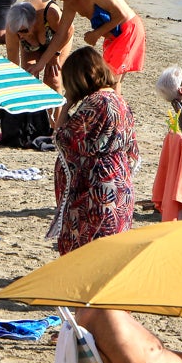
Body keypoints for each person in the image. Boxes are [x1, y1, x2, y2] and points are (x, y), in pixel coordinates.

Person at [51, 46, 137, 255]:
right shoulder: (118, 100)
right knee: (110, 247)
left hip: (96, 187)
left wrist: (68, 101)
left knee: (86, 245)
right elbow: (132, 147)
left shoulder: (95, 101)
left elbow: (62, 136)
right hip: (118, 181)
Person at [33, 0, 145, 88]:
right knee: (110, 83)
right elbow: (61, 33)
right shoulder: (70, 1)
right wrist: (41, 63)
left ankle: (114, 107)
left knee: (108, 84)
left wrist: (95, 34)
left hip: (128, 30)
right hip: (112, 37)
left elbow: (121, 15)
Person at [6, 0, 73, 94]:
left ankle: (58, 108)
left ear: (33, 22)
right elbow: (13, 62)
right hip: (32, 47)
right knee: (28, 77)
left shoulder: (50, 13)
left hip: (57, 40)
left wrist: (55, 54)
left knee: (53, 79)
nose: (20, 36)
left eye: (24, 31)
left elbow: (69, 30)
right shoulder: (12, 27)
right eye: (18, 33)